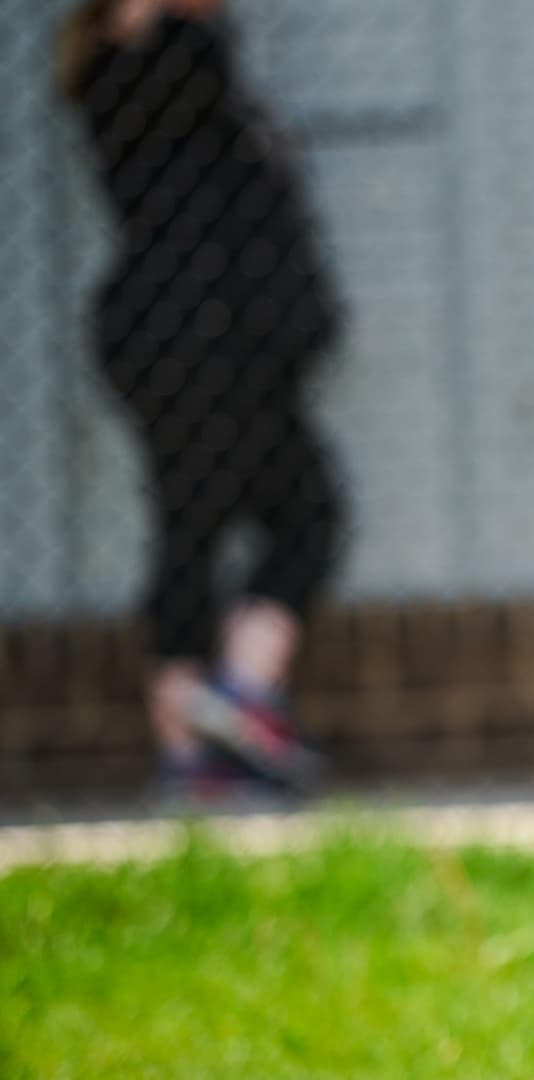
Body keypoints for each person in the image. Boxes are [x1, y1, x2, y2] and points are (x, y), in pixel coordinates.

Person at [55, 0, 344, 800]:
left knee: (208, 520)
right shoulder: (154, 61)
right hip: (200, 335)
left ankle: (197, 740)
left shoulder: (163, 58)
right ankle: (224, 709)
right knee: (283, 512)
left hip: (208, 335)